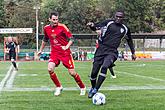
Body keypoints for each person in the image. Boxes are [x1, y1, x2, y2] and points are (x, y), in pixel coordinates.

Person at [87, 10, 136, 98]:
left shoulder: (125, 28)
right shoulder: (108, 23)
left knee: (105, 66)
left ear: (123, 18)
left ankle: (96, 89)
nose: (118, 18)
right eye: (117, 16)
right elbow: (96, 27)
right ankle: (93, 87)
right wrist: (91, 26)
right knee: (94, 73)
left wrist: (133, 53)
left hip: (112, 51)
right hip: (101, 49)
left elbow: (130, 40)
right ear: (114, 16)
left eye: (120, 17)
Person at [37, 11, 86, 96]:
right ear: (49, 19)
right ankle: (58, 87)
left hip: (65, 53)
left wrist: (66, 46)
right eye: (53, 19)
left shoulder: (62, 27)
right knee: (50, 69)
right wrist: (40, 50)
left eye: (57, 19)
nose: (55, 21)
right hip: (54, 52)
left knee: (72, 73)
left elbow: (71, 38)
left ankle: (82, 87)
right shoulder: (46, 28)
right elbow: (45, 40)